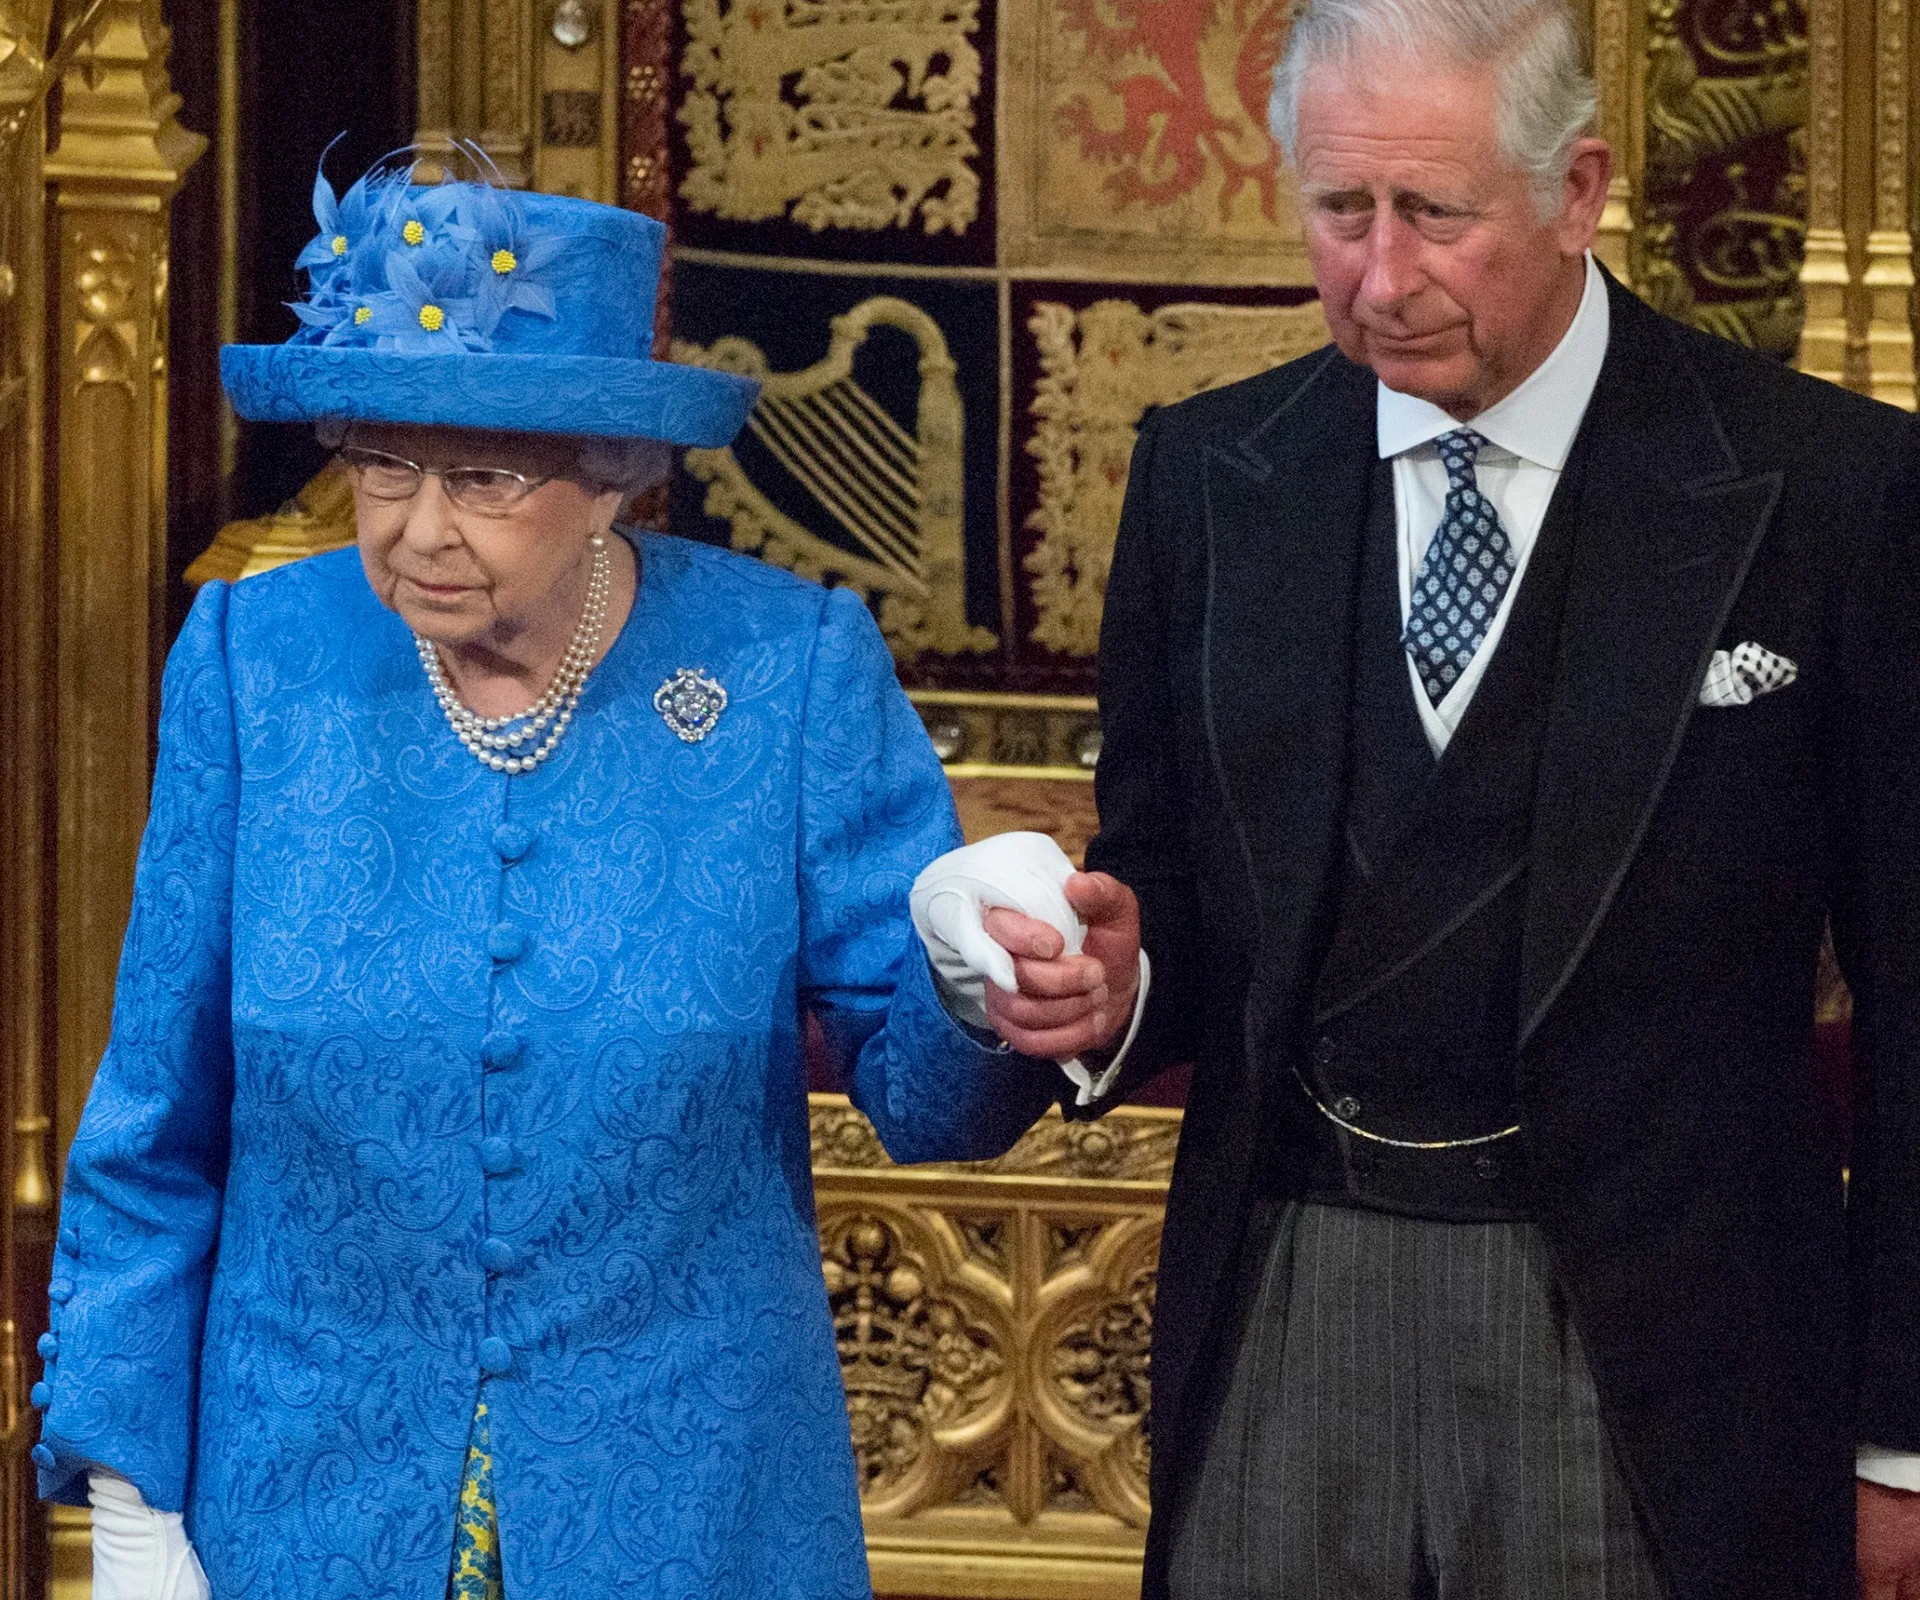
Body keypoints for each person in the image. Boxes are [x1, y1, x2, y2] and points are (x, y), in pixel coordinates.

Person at [959, 0, 1920, 1592]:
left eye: (1435, 215)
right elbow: (1170, 897)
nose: (1382, 279)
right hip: (1288, 1293)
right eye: (1341, 211)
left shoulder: (1833, 496)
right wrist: (1117, 981)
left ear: (1579, 187)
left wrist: (1901, 1440)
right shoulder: (1210, 478)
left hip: (1660, 1341)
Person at [28, 154, 1064, 1600]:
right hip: (305, 1506)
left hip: (694, 1516)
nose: (419, 526)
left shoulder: (785, 671)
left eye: (486, 476)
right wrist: (137, 1513)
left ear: (613, 480)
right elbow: (154, 1122)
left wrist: (976, 978)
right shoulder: (253, 662)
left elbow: (931, 1107)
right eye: (381, 463)